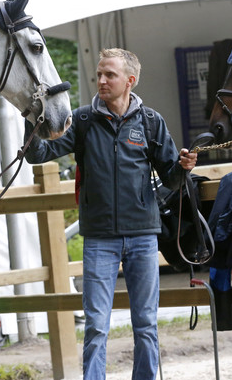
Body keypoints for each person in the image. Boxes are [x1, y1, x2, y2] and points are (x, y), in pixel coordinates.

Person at [23, 48, 197, 379]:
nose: (101, 80)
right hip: (99, 239)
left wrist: (184, 167)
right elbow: (39, 154)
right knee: (97, 326)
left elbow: (172, 179)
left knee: (146, 324)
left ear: (129, 80)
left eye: (110, 75)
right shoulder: (84, 120)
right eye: (100, 74)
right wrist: (30, 118)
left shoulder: (150, 122)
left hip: (144, 237)